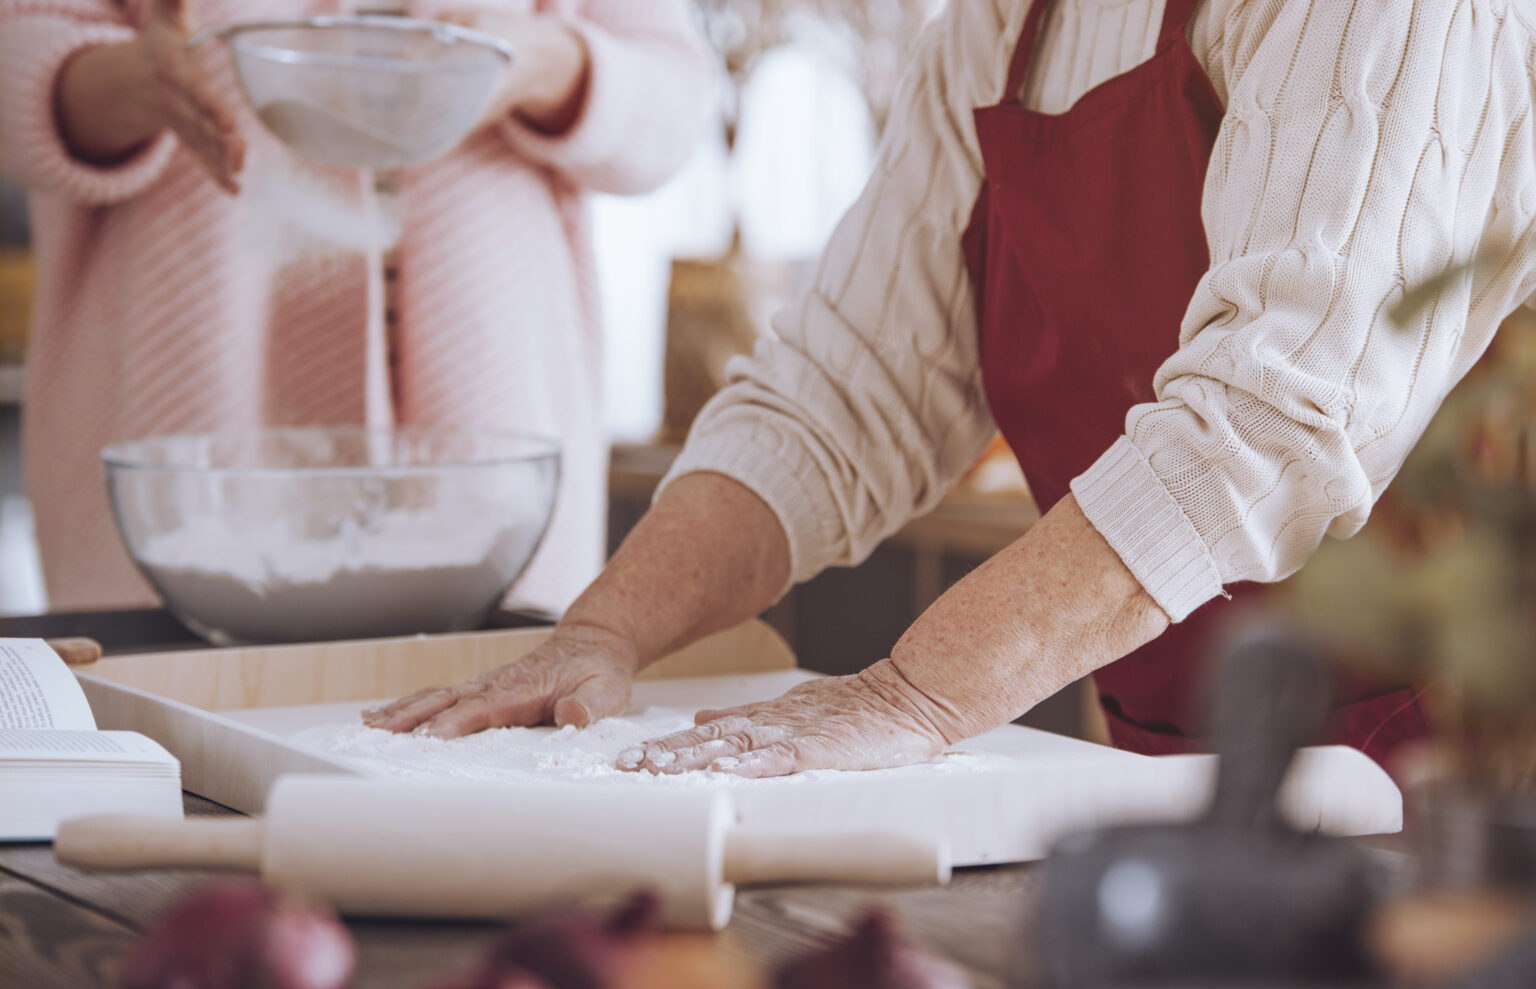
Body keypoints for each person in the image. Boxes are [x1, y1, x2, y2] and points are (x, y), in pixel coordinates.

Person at [368, 0, 1536, 776]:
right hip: (1187, 757)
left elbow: (1277, 409)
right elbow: (844, 388)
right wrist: (602, 630)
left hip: (1466, 765)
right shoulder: (1003, 22)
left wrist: (915, 695)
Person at [0, 0, 712, 614]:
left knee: (482, 738)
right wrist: (122, 86)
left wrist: (548, 65)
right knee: (187, 752)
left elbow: (675, 106)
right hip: (185, 435)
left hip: (491, 436)